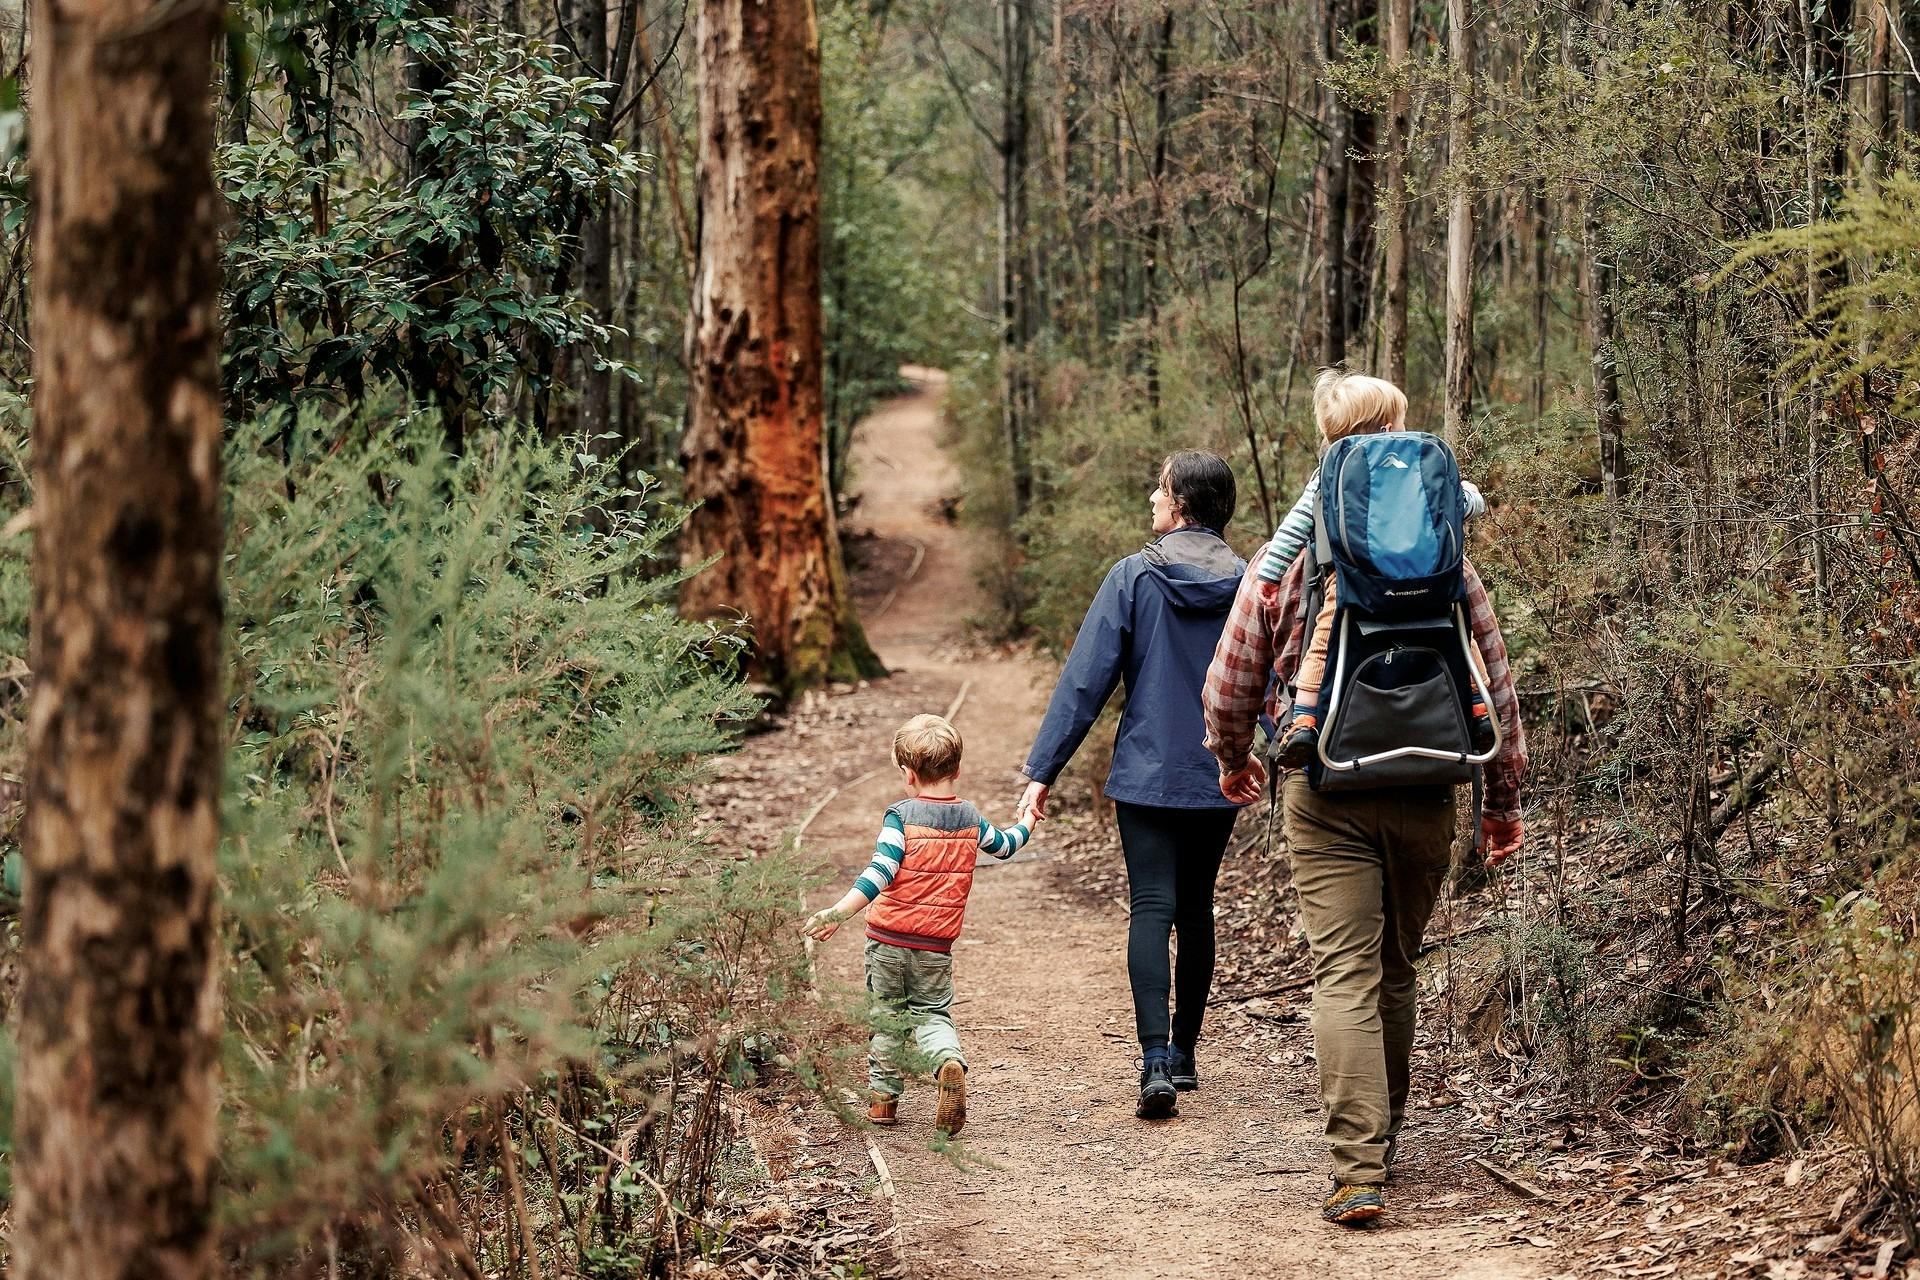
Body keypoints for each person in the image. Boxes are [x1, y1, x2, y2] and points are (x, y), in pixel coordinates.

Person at [1203, 518, 1528, 1226]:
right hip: (1429, 784)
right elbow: (1494, 679)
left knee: (1345, 973)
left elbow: (1230, 683)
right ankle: (1387, 1136)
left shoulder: (1284, 558)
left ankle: (1359, 1170)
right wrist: (1501, 800)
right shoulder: (1445, 554)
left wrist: (1233, 757)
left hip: (1326, 790)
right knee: (1396, 965)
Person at [1016, 451, 1248, 1120]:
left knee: (1152, 905)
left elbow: (1085, 681)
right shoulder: (1249, 583)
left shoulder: (1134, 577)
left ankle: (1153, 1064)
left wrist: (1042, 770)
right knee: (1196, 905)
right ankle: (1185, 1054)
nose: (1152, 497)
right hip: (1217, 770)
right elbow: (1271, 677)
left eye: (1160, 488)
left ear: (1180, 505)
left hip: (1147, 773)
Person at [803, 713, 1036, 1137]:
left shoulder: (900, 817)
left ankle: (883, 1101)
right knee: (931, 1013)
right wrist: (1028, 821)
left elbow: (880, 872)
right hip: (935, 946)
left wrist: (838, 913)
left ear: (908, 775)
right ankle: (947, 1060)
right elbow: (1005, 845)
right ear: (957, 770)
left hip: (888, 940)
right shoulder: (970, 817)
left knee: (887, 1017)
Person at [1258, 369, 1494, 767]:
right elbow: (1466, 505)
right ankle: (1479, 709)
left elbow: (1295, 526)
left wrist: (1270, 574)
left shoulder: (1328, 475)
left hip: (1357, 587)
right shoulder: (1421, 465)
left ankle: (1303, 722)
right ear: (1388, 427)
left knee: (1323, 640)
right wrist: (1467, 491)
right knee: (1459, 633)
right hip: (1428, 587)